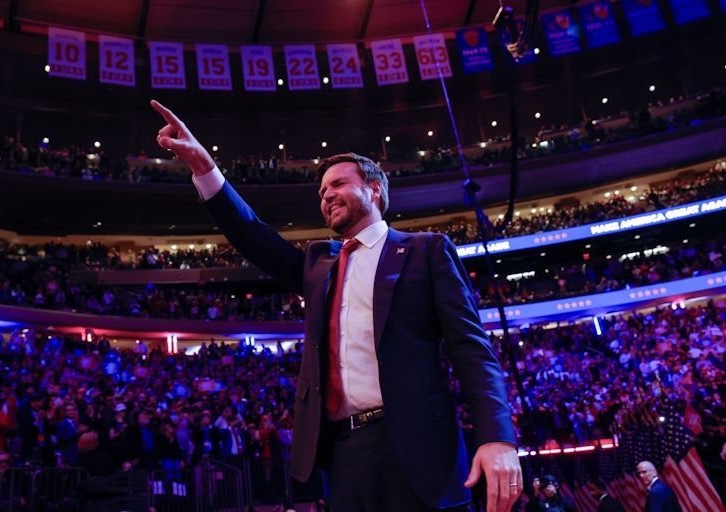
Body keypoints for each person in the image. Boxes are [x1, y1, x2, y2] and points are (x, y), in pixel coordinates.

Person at [152, 100, 521, 512]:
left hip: (417, 445)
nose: (326, 195)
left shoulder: (425, 250)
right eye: (322, 191)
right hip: (343, 452)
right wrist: (205, 167)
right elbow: (253, 235)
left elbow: (471, 348)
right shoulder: (317, 263)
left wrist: (497, 436)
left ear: (374, 189)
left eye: (338, 184)